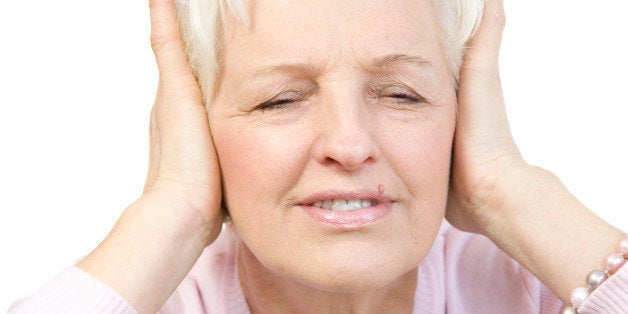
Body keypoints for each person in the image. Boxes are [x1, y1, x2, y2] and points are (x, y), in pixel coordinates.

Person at [8, 0, 628, 313]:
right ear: (195, 127)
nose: (349, 144)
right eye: (280, 101)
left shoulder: (544, 284)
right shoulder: (147, 298)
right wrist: (170, 213)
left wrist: (509, 191)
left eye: (400, 94)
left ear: (464, 113)